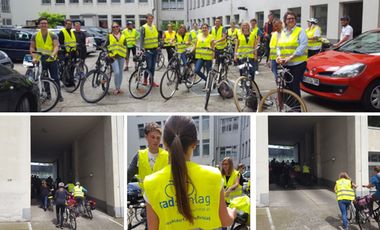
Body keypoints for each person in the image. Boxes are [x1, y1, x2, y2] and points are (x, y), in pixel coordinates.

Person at [144, 116, 237, 229]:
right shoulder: (213, 175)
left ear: (165, 144)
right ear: (194, 144)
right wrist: (233, 212)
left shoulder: (151, 183)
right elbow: (225, 221)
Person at [127, 122, 169, 190]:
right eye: (152, 137)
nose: (155, 140)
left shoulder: (167, 155)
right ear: (146, 137)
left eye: (158, 138)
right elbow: (127, 176)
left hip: (165, 198)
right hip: (147, 198)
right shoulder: (139, 156)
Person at [30, 17, 63, 102]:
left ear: (47, 24)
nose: (44, 25)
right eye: (42, 23)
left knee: (55, 78)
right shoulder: (35, 35)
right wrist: (34, 58)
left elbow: (56, 46)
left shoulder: (52, 35)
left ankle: (59, 95)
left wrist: (53, 54)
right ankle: (48, 95)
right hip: (41, 60)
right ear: (39, 25)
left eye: (45, 23)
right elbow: (32, 47)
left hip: (52, 59)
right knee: (44, 78)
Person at [276, 11, 308, 96]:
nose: (290, 20)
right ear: (285, 21)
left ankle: (297, 108)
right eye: (288, 18)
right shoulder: (283, 32)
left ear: (295, 20)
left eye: (292, 18)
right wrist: (278, 56)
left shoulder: (300, 31)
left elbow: (303, 46)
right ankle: (290, 107)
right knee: (287, 86)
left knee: (294, 86)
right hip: (286, 64)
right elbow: (278, 46)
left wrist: (290, 57)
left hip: (298, 64)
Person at [104, 22, 127, 95]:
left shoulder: (123, 36)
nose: (115, 28)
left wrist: (126, 56)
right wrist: (108, 54)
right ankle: (116, 87)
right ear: (112, 28)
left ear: (119, 27)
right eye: (113, 27)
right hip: (113, 57)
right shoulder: (109, 36)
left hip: (121, 56)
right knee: (116, 72)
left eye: (117, 26)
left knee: (120, 73)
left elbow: (126, 46)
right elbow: (105, 46)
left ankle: (118, 88)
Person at [139, 13, 160, 87]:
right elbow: (141, 39)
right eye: (149, 18)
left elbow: (157, 37)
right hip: (147, 50)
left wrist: (158, 45)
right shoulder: (143, 27)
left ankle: (151, 81)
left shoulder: (154, 27)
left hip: (155, 50)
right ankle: (145, 80)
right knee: (149, 66)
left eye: (152, 18)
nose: (150, 20)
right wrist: (141, 49)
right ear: (146, 19)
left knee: (153, 67)